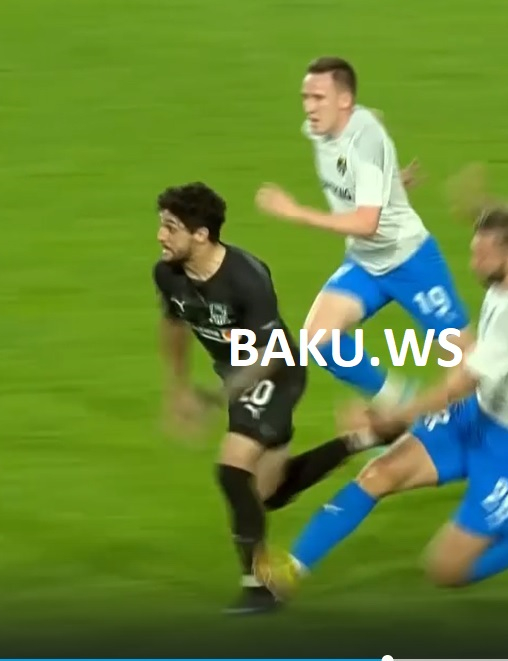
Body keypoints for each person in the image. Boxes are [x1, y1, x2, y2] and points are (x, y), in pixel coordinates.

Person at [253, 167, 508, 597]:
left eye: (482, 256)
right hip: (477, 417)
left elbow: (459, 385)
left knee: (446, 571)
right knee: (380, 473)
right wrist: (477, 205)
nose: (472, 264)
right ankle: (292, 569)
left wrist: (393, 418)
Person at [153, 181, 399, 615]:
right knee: (267, 493)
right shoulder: (168, 274)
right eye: (161, 225)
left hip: (277, 370)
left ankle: (258, 586)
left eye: (171, 227)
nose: (161, 236)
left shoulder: (246, 277)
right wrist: (178, 388)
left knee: (232, 471)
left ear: (201, 234)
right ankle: (364, 438)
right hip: (237, 375)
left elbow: (270, 354)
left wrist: (216, 397)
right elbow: (174, 325)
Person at [255, 55, 473, 409]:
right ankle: (402, 406)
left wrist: (296, 212)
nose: (309, 108)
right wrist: (390, 181)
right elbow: (373, 120)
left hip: (409, 258)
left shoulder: (366, 142)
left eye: (319, 98)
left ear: (344, 100)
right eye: (305, 97)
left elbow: (366, 224)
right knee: (319, 340)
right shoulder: (321, 128)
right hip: (366, 262)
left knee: (466, 362)